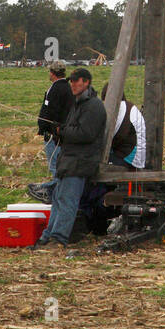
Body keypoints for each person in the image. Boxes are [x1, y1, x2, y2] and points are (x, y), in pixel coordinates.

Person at [36, 67, 106, 249]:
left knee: (67, 200)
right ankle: (47, 237)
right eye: (72, 81)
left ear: (86, 82)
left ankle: (59, 239)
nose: (73, 84)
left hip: (81, 161)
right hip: (69, 159)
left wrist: (62, 131)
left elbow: (86, 134)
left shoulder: (94, 106)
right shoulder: (77, 104)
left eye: (77, 81)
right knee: (58, 198)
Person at [28, 63, 73, 199]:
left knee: (55, 167)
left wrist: (44, 128)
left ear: (52, 73)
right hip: (63, 134)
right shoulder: (68, 87)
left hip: (54, 136)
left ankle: (51, 193)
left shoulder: (54, 89)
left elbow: (49, 111)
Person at [100, 85, 146, 169]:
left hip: (129, 158)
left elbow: (108, 136)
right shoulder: (128, 106)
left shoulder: (120, 108)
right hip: (135, 155)